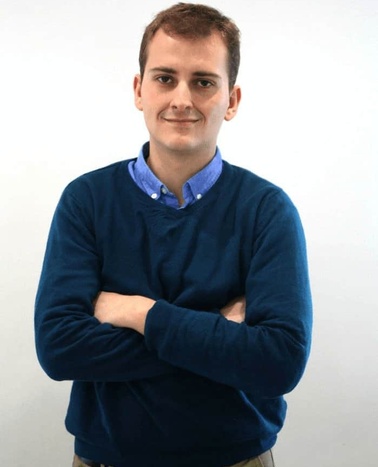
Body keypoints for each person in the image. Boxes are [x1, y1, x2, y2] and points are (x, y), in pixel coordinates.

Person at [34, 3, 312, 467]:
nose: (182, 98)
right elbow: (60, 348)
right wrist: (216, 335)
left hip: (236, 459)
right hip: (107, 459)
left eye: (203, 82)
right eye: (165, 78)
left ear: (233, 100)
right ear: (139, 90)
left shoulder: (267, 210)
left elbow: (279, 361)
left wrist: (139, 312)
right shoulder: (86, 201)